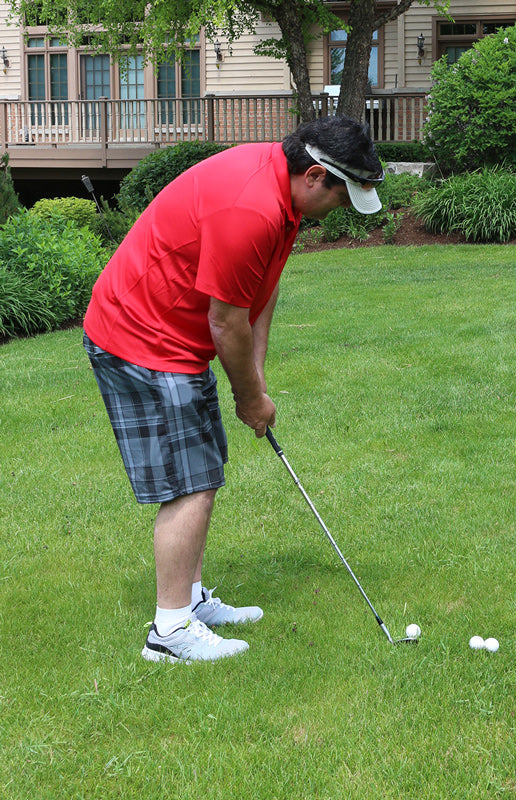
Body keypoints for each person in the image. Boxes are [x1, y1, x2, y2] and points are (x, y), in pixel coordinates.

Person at [83, 116, 384, 663]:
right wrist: (249, 400)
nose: (337, 214)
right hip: (139, 337)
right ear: (317, 176)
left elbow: (257, 298)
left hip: (174, 338)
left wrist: (258, 384)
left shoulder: (285, 196)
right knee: (190, 482)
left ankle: (190, 600)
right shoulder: (253, 208)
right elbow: (226, 322)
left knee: (204, 470)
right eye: (342, 201)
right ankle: (169, 632)